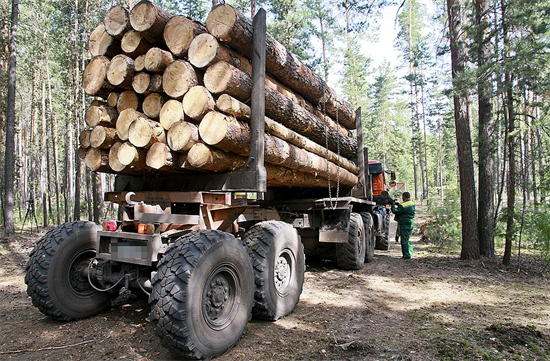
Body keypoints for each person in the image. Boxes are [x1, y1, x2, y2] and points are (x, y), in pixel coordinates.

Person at [391, 192, 415, 259]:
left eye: (402, 196)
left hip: (404, 224)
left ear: (404, 196)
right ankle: (410, 252)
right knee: (407, 238)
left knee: (404, 240)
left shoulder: (403, 205)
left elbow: (396, 211)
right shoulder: (411, 203)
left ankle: (406, 255)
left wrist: (392, 205)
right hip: (410, 223)